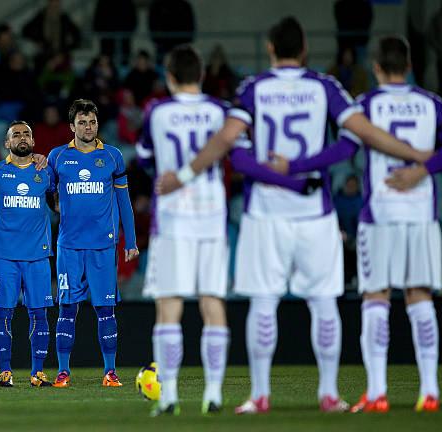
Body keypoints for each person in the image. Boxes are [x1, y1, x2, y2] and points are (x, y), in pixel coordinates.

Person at [156, 17, 431, 414]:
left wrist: (185, 175)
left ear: (270, 48)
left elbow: (233, 146)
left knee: (263, 304)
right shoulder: (325, 87)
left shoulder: (253, 88)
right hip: (315, 213)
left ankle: (260, 395)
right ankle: (329, 394)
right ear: (304, 49)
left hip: (264, 213)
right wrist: (418, 157)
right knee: (324, 304)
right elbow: (358, 138)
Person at [136, 44, 318, 417]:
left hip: (172, 221)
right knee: (212, 303)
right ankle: (213, 394)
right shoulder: (221, 112)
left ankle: (169, 396)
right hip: (211, 220)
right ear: (201, 75)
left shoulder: (157, 111)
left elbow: (145, 158)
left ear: (169, 77)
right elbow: (240, 155)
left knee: (168, 307)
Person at [333, 37, 442, 413]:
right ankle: (430, 393)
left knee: (376, 298)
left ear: (376, 67)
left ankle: (377, 393)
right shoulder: (433, 104)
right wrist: (423, 170)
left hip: (379, 215)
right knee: (420, 297)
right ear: (409, 64)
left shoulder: (365, 105)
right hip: (420, 215)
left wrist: (298, 166)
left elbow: (343, 151)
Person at [47, 99, 138, 388]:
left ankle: (110, 372)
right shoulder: (57, 157)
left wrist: (131, 241)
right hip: (69, 247)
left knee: (105, 309)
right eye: (83, 122)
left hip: (103, 246)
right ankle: (63, 372)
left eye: (93, 122)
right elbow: (45, 189)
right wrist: (56, 206)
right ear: (72, 126)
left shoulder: (112, 156)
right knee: (67, 309)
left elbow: (124, 200)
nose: (88, 127)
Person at [0, 121, 54, 388]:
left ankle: (37, 372)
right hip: (4, 257)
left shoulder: (46, 171)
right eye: (16, 135)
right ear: (7, 144)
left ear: (33, 141)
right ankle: (5, 371)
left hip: (37, 256)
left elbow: (57, 205)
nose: (22, 137)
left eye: (27, 133)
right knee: (3, 314)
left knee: (40, 314)